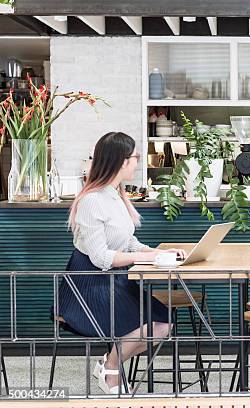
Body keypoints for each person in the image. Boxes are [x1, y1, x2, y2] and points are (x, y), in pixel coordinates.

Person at [58, 132, 185, 394]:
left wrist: (160, 252)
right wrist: (147, 258)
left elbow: (127, 242)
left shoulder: (116, 194)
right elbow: (101, 258)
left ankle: (107, 362)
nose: (137, 162)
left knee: (164, 324)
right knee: (151, 325)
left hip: (116, 280)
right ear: (121, 161)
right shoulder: (92, 200)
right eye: (135, 157)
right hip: (89, 285)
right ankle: (111, 371)